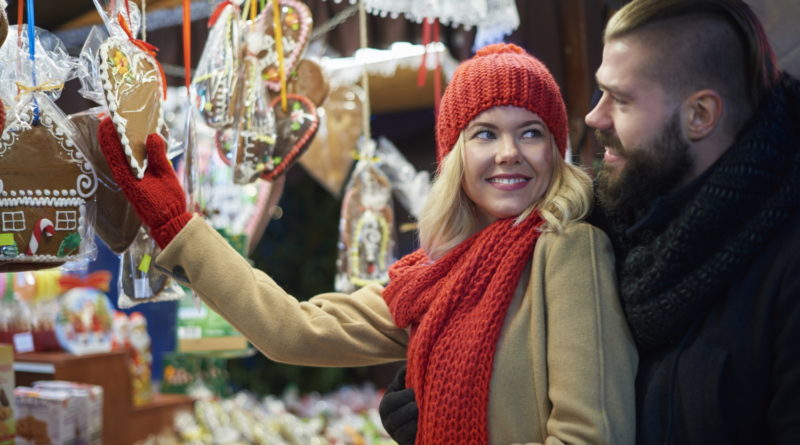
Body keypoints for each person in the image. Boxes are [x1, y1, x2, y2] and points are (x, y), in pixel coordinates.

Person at [98, 43, 637, 444]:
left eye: (531, 132)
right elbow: (294, 330)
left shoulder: (570, 250)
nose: (508, 153)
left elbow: (589, 436)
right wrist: (179, 227)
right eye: (484, 133)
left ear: (555, 149)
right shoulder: (436, 276)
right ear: (454, 160)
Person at [380, 0, 800, 444]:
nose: (593, 117)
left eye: (620, 100)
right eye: (600, 92)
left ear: (699, 115)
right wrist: (450, 401)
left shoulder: (783, 271)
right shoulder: (605, 220)